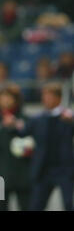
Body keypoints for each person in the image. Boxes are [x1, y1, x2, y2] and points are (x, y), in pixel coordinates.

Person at [17, 82, 73, 211]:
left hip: (65, 169)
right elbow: (23, 131)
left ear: (58, 98)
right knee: (36, 206)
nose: (45, 99)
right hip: (43, 169)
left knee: (69, 204)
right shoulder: (38, 119)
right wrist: (14, 124)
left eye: (49, 96)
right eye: (44, 96)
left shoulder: (68, 117)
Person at [0, 86, 32, 211]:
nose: (5, 100)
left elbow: (34, 144)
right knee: (0, 207)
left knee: (26, 206)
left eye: (8, 97)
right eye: (2, 97)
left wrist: (17, 127)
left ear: (16, 100)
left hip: (23, 174)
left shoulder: (26, 120)